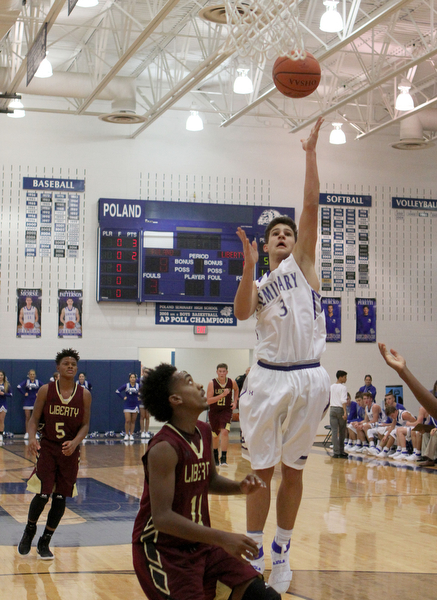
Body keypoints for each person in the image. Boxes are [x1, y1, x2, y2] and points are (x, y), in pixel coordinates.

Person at [233, 117, 330, 593]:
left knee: (295, 471)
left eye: (288, 233)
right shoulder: (261, 280)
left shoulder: (305, 266)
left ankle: (282, 551)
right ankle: (253, 553)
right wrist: (248, 269)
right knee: (261, 471)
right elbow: (239, 312)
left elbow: (311, 204)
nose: (283, 237)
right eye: (275, 235)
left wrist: (310, 153)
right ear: (266, 245)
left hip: (309, 377)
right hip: (268, 379)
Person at [132, 363, 280, 600]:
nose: (200, 385)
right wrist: (222, 537)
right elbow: (162, 518)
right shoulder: (164, 448)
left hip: (201, 545)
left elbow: (208, 480)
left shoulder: (202, 430)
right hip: (163, 550)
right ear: (175, 399)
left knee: (263, 597)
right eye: (189, 382)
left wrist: (239, 487)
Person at [17, 348, 92, 560]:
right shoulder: (45, 390)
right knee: (42, 493)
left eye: (74, 364)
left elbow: (85, 425)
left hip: (70, 451)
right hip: (49, 447)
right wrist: (32, 438)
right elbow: (34, 419)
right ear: (57, 367)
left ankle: (45, 540)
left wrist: (76, 442)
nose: (70, 366)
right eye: (66, 363)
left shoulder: (84, 394)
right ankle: (29, 531)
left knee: (60, 497)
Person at [378, 343, 437, 419]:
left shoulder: (400, 409)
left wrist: (403, 372)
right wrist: (403, 371)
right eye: (387, 399)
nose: (388, 401)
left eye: (389, 398)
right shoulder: (389, 409)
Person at [206, 363, 239, 467]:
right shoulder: (212, 383)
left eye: (223, 371)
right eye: (220, 371)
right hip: (214, 411)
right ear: (217, 372)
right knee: (215, 436)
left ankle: (224, 458)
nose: (222, 373)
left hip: (226, 411)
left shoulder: (231, 382)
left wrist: (235, 402)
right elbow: (209, 400)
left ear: (227, 372)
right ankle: (215, 457)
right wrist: (222, 395)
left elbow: (236, 389)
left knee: (225, 431)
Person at [17, 370, 43, 440]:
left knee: (35, 418)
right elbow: (18, 387)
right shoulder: (26, 381)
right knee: (27, 417)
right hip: (27, 401)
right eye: (31, 374)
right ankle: (27, 432)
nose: (32, 376)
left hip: (35, 401)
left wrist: (39, 393)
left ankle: (35, 433)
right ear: (29, 375)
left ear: (35, 375)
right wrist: (24, 393)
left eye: (33, 374)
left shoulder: (37, 382)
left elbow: (44, 387)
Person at [329, 370, 348, 458]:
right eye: (345, 377)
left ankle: (335, 452)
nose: (346, 379)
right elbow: (343, 400)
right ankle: (341, 450)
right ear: (340, 377)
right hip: (340, 409)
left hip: (332, 409)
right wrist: (345, 412)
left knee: (334, 431)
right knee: (342, 431)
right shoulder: (343, 388)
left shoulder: (331, 386)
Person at [116, 373, 140, 441]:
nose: (132, 379)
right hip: (127, 405)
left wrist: (140, 396)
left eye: (134, 377)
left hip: (135, 405)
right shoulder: (126, 385)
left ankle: (131, 434)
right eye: (131, 377)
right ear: (129, 379)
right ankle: (126, 434)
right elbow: (117, 391)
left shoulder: (138, 386)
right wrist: (123, 397)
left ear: (135, 378)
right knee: (127, 420)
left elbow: (145, 391)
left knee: (133, 421)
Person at [139, 367, 152, 439]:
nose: (146, 373)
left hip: (148, 400)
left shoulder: (150, 381)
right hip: (141, 400)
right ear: (143, 372)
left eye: (147, 372)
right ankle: (142, 432)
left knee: (147, 417)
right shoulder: (140, 380)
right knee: (142, 416)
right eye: (145, 372)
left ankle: (147, 432)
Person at [0, 370, 12, 442]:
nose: (0, 377)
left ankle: (0, 434)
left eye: (1, 375)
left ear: (4, 376)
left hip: (3, 404)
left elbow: (11, 394)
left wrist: (3, 394)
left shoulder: (6, 384)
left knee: (1, 420)